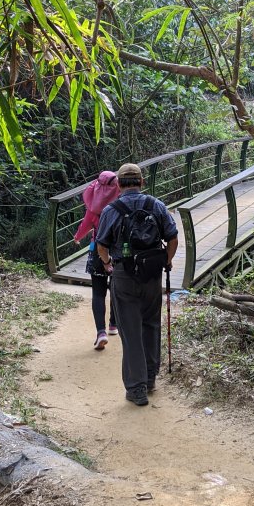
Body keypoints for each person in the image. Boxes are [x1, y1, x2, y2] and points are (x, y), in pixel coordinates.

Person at [95, 163, 178, 407]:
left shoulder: (112, 209)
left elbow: (102, 245)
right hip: (152, 275)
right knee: (151, 324)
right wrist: (167, 261)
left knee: (130, 331)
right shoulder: (156, 205)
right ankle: (150, 378)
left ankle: (136, 388)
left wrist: (108, 263)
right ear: (141, 182)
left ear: (119, 185)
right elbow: (172, 237)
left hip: (124, 275)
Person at [74, 170, 121, 350]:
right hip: (118, 252)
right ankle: (113, 325)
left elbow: (86, 224)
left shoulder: (94, 205)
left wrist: (78, 237)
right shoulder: (120, 203)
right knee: (116, 289)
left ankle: (100, 332)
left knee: (98, 292)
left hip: (97, 251)